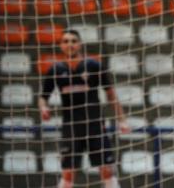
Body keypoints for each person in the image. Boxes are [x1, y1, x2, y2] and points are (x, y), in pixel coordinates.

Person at [38, 29, 129, 188]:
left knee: (107, 171)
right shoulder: (55, 70)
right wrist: (43, 108)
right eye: (66, 41)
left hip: (95, 126)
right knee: (67, 174)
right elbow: (42, 97)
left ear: (79, 44)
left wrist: (122, 120)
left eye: (73, 41)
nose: (70, 44)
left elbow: (111, 95)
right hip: (71, 128)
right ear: (61, 46)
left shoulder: (94, 66)